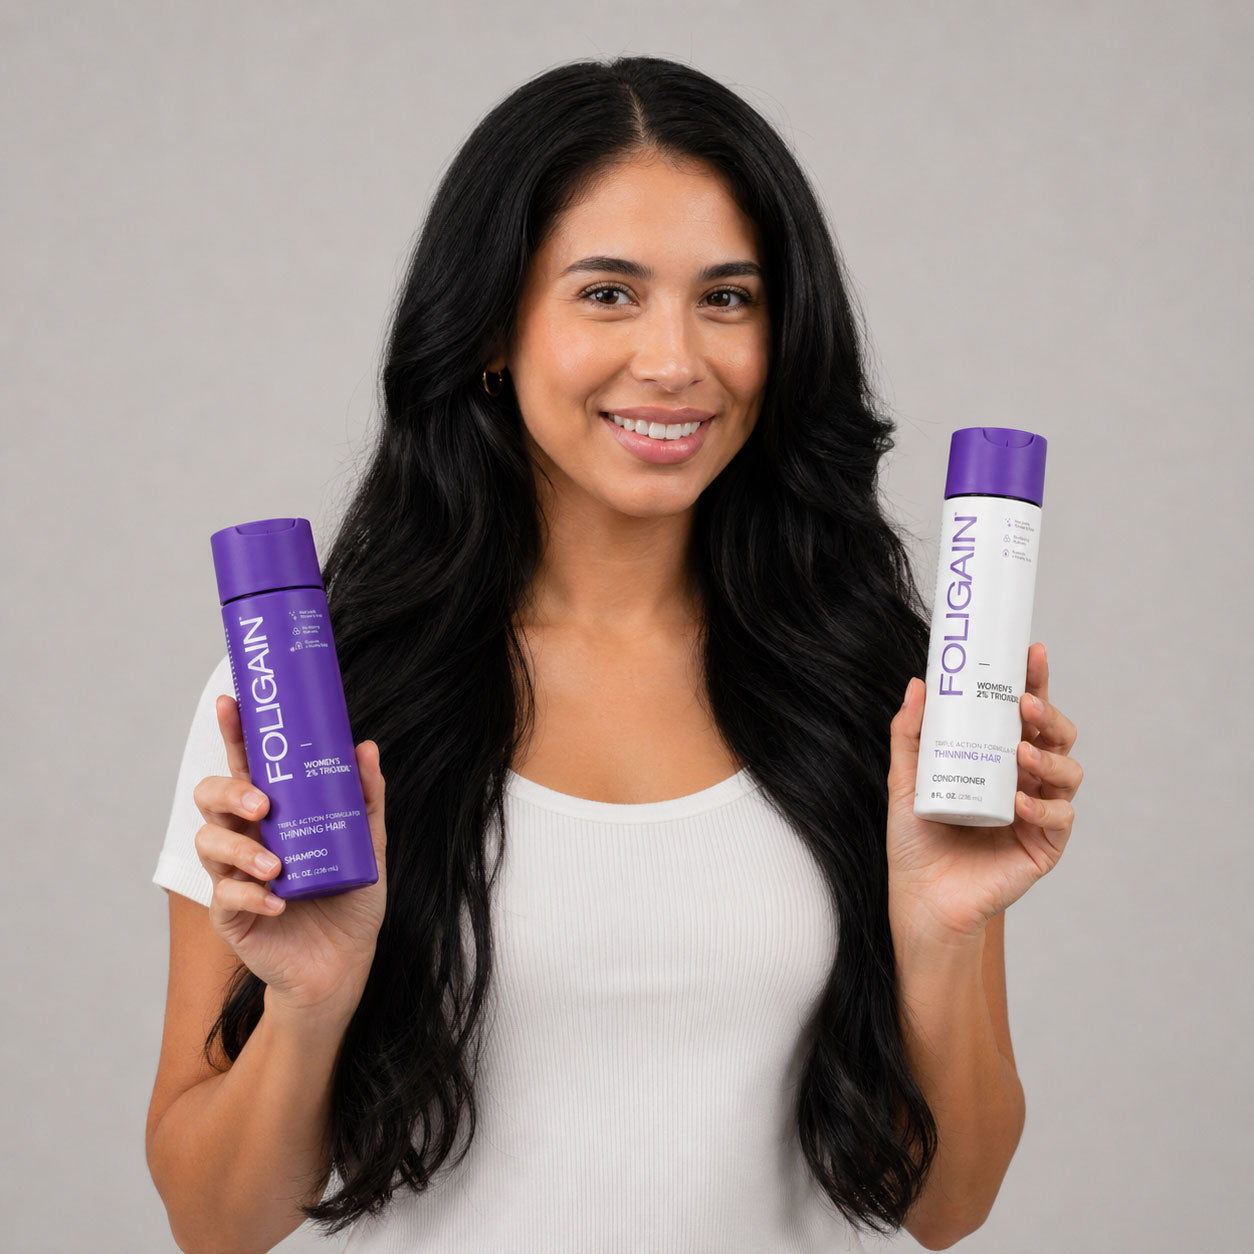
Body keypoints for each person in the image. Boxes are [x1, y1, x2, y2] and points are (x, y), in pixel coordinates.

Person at [146, 55, 1084, 1254]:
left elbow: (948, 1205)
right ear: (493, 328)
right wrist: (309, 1006)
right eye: (607, 293)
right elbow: (213, 1224)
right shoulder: (302, 704)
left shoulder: (889, 690)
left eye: (728, 298)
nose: (675, 360)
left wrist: (942, 937)